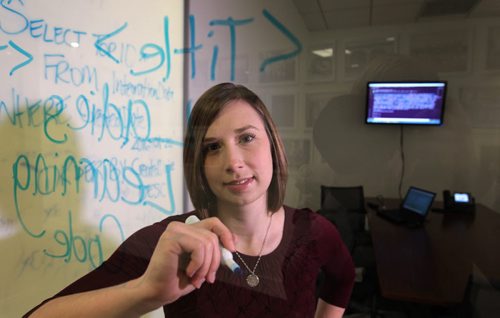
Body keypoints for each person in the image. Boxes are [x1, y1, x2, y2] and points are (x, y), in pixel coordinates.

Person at [25, 82, 355, 318]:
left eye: (247, 138)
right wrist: (146, 292)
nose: (233, 161)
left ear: (273, 144)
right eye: (213, 147)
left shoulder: (313, 231)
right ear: (199, 163)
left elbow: (343, 278)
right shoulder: (172, 242)